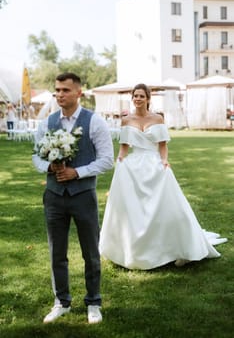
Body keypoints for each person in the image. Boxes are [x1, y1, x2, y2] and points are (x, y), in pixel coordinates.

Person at [99, 83, 227, 270]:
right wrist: (120, 159)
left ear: (148, 99)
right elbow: (125, 146)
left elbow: (162, 145)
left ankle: (171, 245)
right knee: (133, 207)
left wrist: (164, 160)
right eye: (135, 96)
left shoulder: (157, 118)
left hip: (154, 163)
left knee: (167, 206)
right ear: (132, 98)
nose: (138, 99)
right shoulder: (126, 120)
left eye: (142, 96)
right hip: (133, 165)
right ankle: (133, 247)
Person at [32, 72, 114, 324]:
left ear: (79, 93)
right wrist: (49, 168)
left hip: (83, 196)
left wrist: (77, 172)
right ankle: (62, 302)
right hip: (54, 196)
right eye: (57, 90)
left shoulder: (95, 121)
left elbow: (106, 160)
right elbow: (36, 156)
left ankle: (93, 302)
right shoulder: (47, 123)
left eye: (65, 90)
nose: (59, 95)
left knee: (90, 251)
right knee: (57, 252)